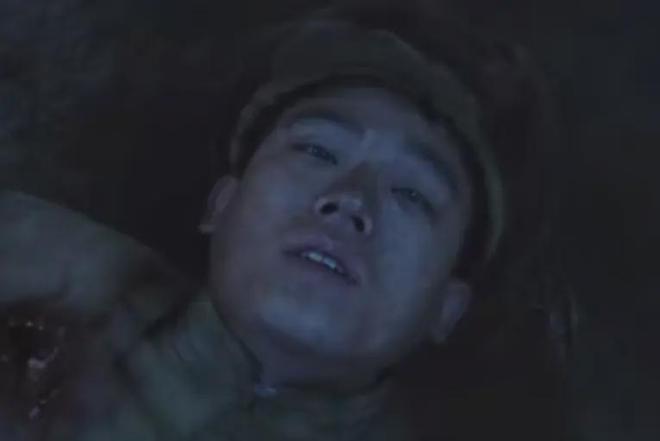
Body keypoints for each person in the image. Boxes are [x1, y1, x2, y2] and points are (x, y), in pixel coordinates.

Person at [0, 1, 568, 440]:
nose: (350, 199)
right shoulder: (39, 263)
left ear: (448, 306)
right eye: (317, 151)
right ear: (221, 204)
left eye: (412, 195)